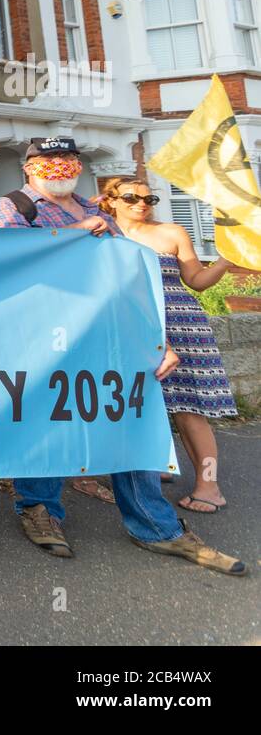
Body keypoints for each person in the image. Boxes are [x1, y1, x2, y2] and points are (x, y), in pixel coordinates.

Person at [0, 137, 244, 575]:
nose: (61, 166)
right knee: (50, 421)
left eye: (69, 159)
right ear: (29, 168)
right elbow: (5, 258)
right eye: (49, 160)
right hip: (44, 335)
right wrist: (73, 233)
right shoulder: (10, 206)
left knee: (132, 418)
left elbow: (129, 280)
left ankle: (156, 527)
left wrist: (157, 339)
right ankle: (40, 509)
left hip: (111, 335)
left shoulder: (100, 212)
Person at [102, 178, 236, 513]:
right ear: (112, 200)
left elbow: (196, 281)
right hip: (127, 326)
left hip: (180, 324)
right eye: (132, 197)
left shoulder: (172, 232)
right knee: (139, 401)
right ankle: (158, 464)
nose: (142, 204)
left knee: (190, 408)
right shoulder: (102, 232)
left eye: (150, 198)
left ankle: (209, 485)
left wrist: (224, 261)